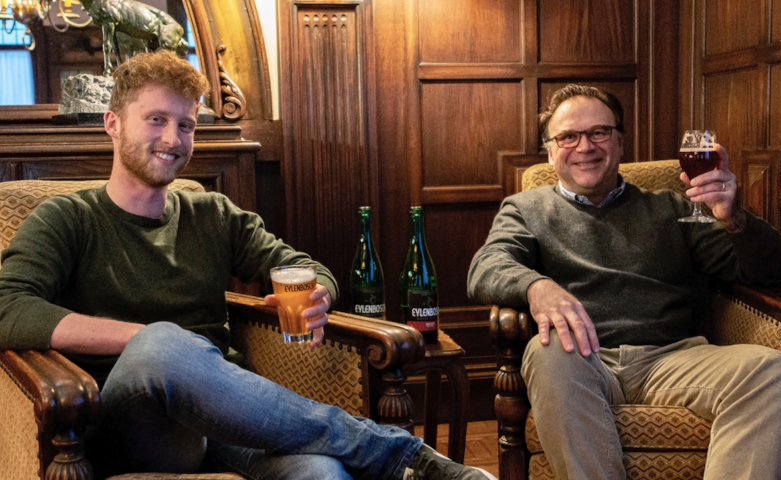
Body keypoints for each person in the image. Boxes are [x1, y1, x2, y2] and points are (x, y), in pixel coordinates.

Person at [0, 50, 496, 480]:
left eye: (186, 125)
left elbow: (301, 266)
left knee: (320, 471)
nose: (173, 138)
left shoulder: (212, 214)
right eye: (156, 119)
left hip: (223, 419)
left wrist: (319, 294)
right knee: (160, 344)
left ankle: (387, 458)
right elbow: (7, 305)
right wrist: (144, 338)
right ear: (113, 123)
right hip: (128, 424)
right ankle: (398, 455)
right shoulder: (68, 218)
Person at [467, 84, 781, 480]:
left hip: (673, 359)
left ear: (621, 143)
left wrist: (734, 218)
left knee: (773, 370)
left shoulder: (672, 207)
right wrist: (535, 286)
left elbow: (775, 271)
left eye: (599, 132)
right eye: (568, 136)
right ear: (551, 152)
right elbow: (486, 266)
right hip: (582, 360)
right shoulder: (526, 209)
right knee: (547, 352)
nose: (585, 146)